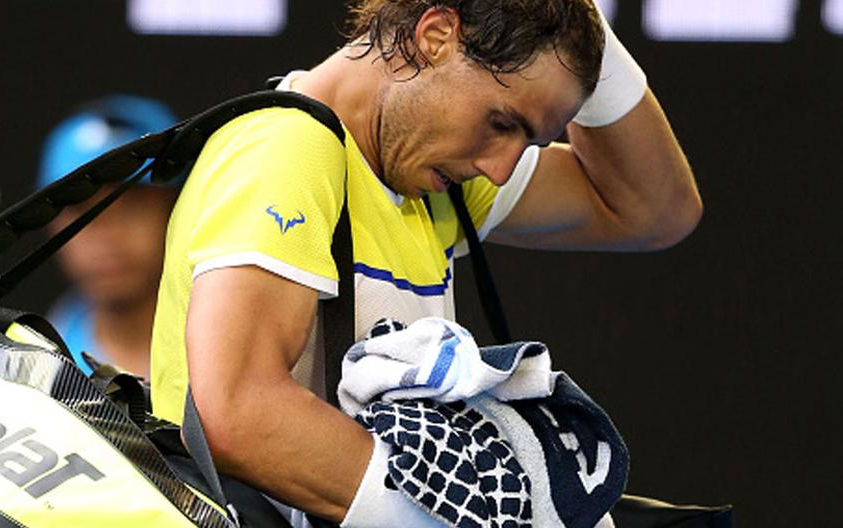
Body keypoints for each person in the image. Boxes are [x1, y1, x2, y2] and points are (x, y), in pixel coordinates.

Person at [150, 0, 702, 525]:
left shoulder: (434, 177)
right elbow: (239, 414)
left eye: (528, 138)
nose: (502, 168)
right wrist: (462, 516)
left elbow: (655, 210)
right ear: (435, 37)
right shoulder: (289, 147)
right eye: (503, 123)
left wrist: (578, 23)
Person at [39, 95, 178, 378]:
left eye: (132, 204)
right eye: (81, 209)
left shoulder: (245, 349)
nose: (108, 233)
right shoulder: (28, 373)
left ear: (178, 210)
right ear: (50, 225)